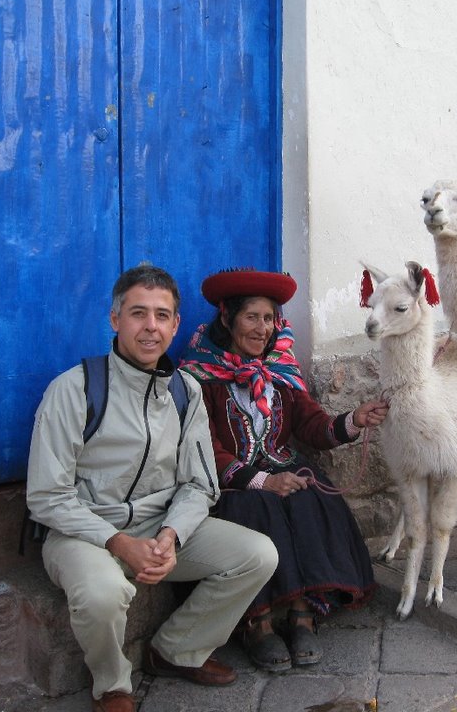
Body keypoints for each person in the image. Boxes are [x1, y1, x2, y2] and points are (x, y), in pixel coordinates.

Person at [26, 265, 279, 712]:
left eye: (162, 316)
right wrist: (119, 543)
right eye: (138, 313)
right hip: (83, 532)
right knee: (103, 592)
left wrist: (171, 535)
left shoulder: (185, 391)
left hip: (157, 525)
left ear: (176, 324)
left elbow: (199, 483)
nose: (150, 327)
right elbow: (47, 496)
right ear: (115, 318)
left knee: (257, 554)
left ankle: (175, 651)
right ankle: (113, 686)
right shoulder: (75, 389)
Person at [179, 268, 389, 672]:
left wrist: (353, 420)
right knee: (259, 508)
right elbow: (205, 447)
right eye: (251, 317)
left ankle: (301, 613)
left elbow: (312, 426)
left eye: (269, 319)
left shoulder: (280, 372)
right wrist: (263, 481)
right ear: (227, 319)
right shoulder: (199, 376)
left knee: (308, 495)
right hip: (231, 482)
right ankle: (256, 624)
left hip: (281, 467)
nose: (262, 329)